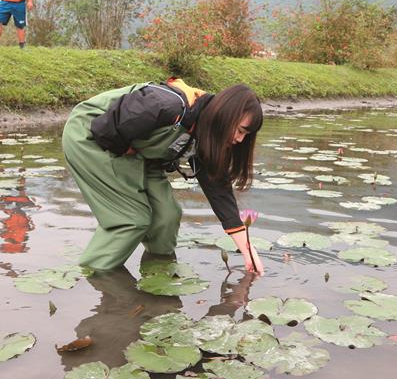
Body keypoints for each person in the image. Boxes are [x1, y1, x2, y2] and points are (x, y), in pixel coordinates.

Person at [62, 77, 264, 274]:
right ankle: (93, 278)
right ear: (225, 116)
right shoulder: (167, 105)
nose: (239, 139)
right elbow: (106, 129)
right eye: (240, 130)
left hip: (137, 151)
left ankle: (158, 275)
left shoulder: (208, 132)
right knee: (131, 220)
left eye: (246, 135)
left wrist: (248, 250)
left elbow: (218, 188)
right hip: (91, 136)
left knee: (167, 216)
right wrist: (131, 164)